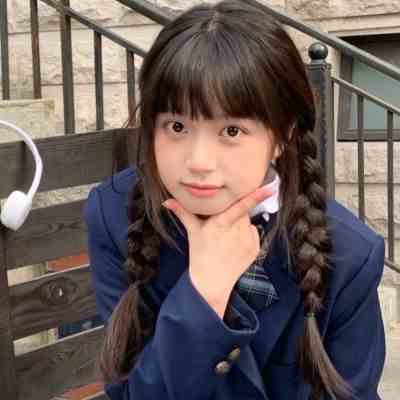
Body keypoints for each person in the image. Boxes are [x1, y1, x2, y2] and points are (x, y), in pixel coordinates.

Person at [83, 1, 386, 399]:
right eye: (177, 126)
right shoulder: (114, 214)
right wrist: (204, 291)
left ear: (282, 136)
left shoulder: (348, 253)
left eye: (231, 131)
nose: (198, 162)